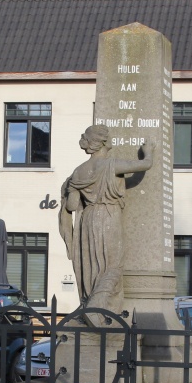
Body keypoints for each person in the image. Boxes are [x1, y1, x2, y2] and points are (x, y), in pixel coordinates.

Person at [59, 125, 154, 322]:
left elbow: (72, 205)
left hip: (87, 220)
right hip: (108, 215)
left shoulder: (78, 172)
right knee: (113, 266)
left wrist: (70, 190)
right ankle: (95, 308)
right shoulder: (112, 165)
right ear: (102, 142)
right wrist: (148, 151)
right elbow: (145, 165)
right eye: (108, 137)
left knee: (92, 268)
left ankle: (91, 304)